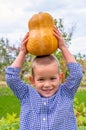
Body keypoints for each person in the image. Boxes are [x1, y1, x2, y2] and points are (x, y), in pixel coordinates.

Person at [5, 27, 83, 130]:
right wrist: (22, 52)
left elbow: (77, 73)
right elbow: (11, 77)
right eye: (41, 79)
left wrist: (63, 47)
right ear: (32, 80)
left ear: (60, 78)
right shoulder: (26, 94)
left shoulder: (66, 93)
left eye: (52, 78)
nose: (47, 84)